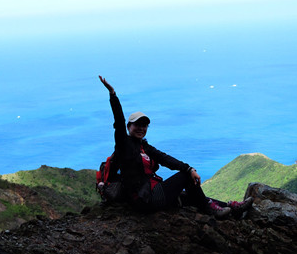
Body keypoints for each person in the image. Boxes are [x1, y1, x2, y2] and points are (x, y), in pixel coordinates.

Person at [98, 75, 252, 218]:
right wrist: (113, 95)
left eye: (144, 125)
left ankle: (232, 208)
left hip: (152, 191)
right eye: (137, 125)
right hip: (144, 199)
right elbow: (118, 121)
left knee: (190, 195)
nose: (141, 128)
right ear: (128, 126)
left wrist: (189, 168)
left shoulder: (145, 147)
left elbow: (165, 159)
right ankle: (210, 210)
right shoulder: (124, 144)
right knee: (185, 177)